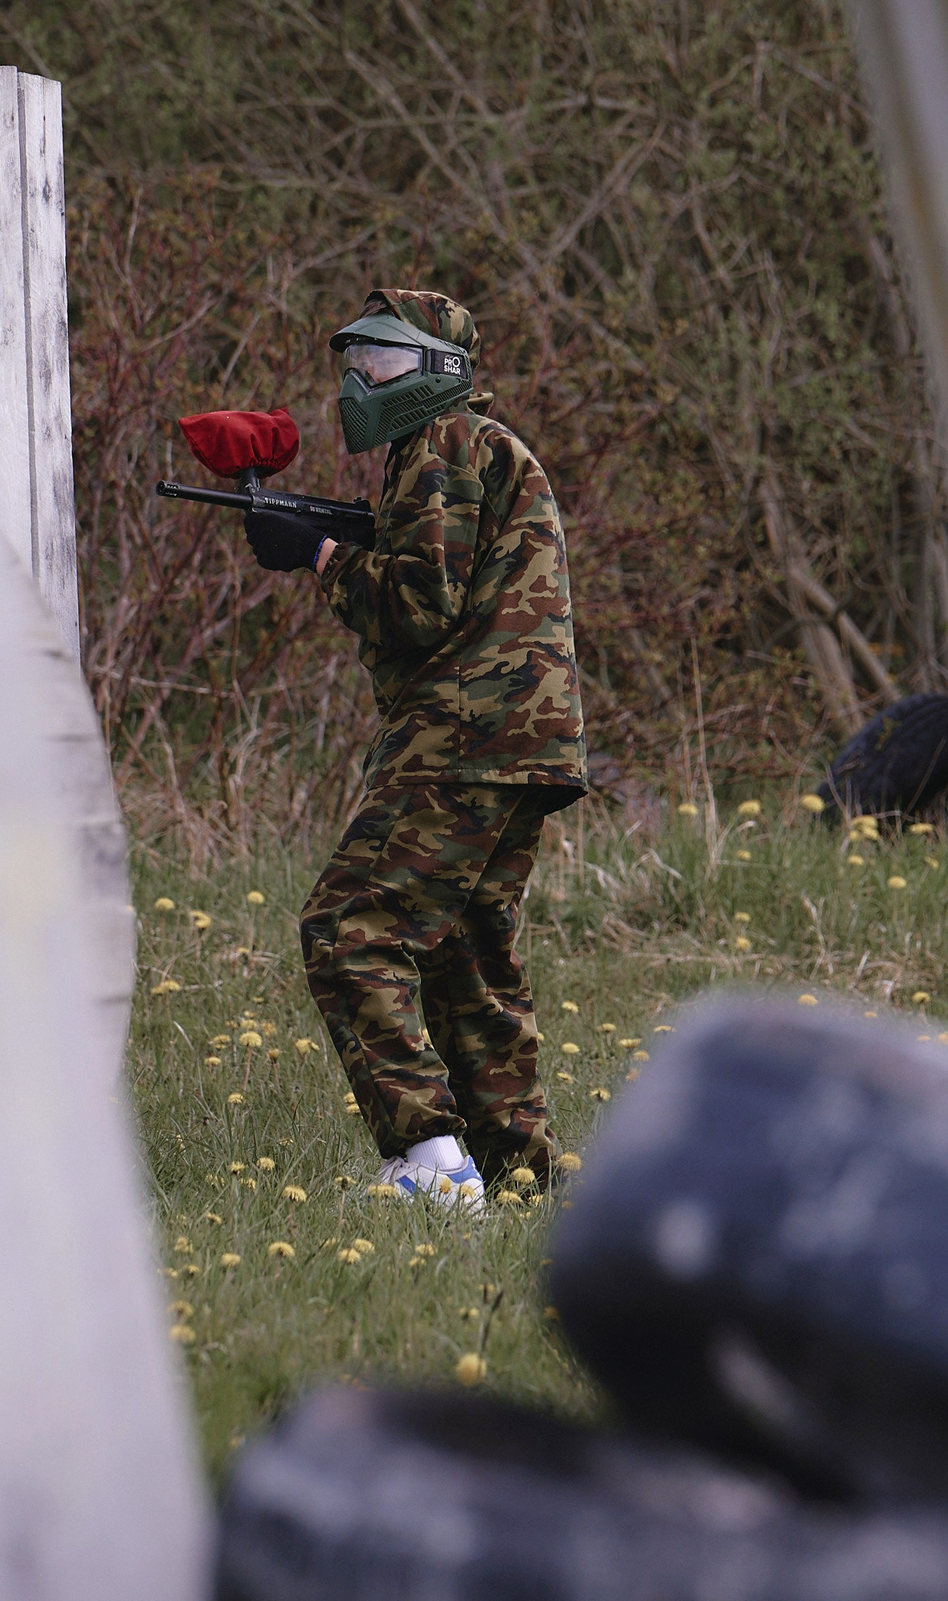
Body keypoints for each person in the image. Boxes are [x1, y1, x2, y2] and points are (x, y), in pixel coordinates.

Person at [242, 289, 586, 1209]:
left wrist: (318, 555)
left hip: (465, 733)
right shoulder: (471, 450)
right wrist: (345, 535)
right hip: (522, 738)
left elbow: (417, 607)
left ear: (440, 371)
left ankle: (431, 1165)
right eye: (354, 365)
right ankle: (522, 1180)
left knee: (350, 929)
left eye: (383, 364)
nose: (360, 381)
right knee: (469, 958)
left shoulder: (443, 445)